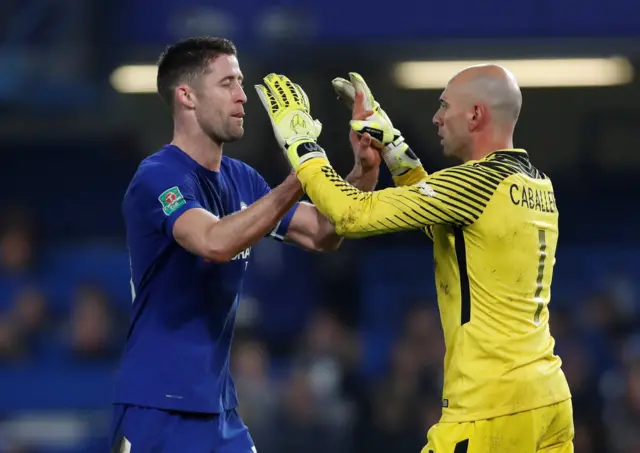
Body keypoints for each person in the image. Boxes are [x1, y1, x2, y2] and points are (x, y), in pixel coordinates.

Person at [256, 67, 574, 452]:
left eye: (444, 106)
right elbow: (443, 223)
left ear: (475, 115)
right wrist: (391, 145)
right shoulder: (536, 182)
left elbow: (351, 215)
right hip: (549, 399)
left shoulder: (477, 183)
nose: (436, 118)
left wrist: (300, 141)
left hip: (490, 407)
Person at [108, 37, 380, 453]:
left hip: (219, 410)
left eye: (241, 83)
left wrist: (363, 167)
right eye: (227, 84)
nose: (242, 97)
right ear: (187, 96)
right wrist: (301, 172)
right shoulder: (157, 176)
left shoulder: (242, 178)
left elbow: (325, 232)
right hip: (157, 409)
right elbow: (213, 242)